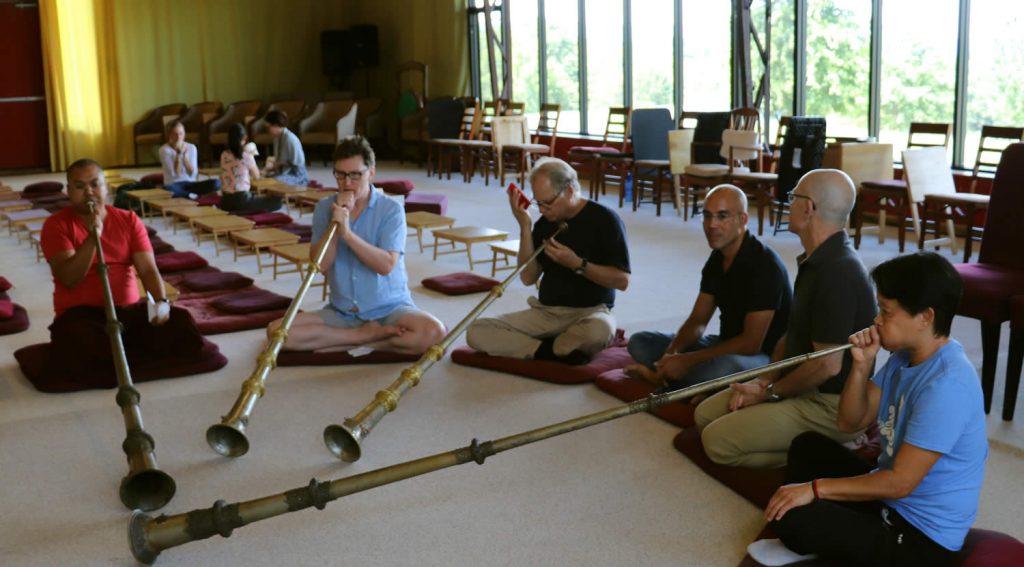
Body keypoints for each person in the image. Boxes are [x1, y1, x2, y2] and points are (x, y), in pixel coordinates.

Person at [765, 252, 987, 567]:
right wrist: (861, 365)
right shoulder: (904, 356)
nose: (876, 320)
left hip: (920, 538)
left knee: (795, 518)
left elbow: (900, 482)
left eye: (886, 311)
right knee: (807, 447)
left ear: (925, 317)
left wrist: (815, 490)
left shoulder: (947, 386)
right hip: (890, 501)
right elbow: (849, 421)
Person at [694, 169, 877, 468]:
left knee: (716, 443)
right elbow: (791, 336)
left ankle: (834, 446)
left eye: (793, 197)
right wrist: (765, 377)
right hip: (800, 383)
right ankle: (807, 440)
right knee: (704, 415)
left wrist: (768, 394)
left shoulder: (837, 272)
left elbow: (826, 366)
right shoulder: (816, 259)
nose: (787, 203)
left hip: (831, 404)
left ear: (808, 208)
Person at [267, 135, 445, 354]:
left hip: (389, 309)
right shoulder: (325, 208)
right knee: (277, 333)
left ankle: (350, 341)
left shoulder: (391, 209)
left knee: (433, 333)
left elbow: (386, 265)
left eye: (355, 175)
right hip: (343, 312)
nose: (347, 183)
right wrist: (335, 223)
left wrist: (348, 234)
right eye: (340, 175)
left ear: (371, 173)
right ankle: (363, 337)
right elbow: (320, 266)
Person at [40, 159, 206, 378]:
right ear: (69, 191)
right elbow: (70, 278)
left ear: (106, 187)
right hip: (82, 316)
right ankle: (127, 354)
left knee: (182, 322)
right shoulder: (56, 225)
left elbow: (147, 270)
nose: (89, 192)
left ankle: (119, 353)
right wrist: (92, 237)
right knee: (77, 339)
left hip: (126, 312)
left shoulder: (128, 220)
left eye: (94, 184)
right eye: (79, 186)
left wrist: (161, 305)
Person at [624, 184, 792, 394]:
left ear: (743, 219)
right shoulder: (717, 258)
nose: (712, 225)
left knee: (724, 367)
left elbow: (751, 343)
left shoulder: (766, 266)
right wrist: (671, 354)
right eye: (707, 216)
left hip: (763, 357)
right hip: (724, 343)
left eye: (722, 216)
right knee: (640, 342)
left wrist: (688, 360)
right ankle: (683, 383)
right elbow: (698, 320)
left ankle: (669, 384)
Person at [466, 157, 631, 365]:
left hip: (591, 313)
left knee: (598, 332)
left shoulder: (605, 220)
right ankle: (552, 350)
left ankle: (546, 347)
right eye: (538, 203)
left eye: (548, 203)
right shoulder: (545, 223)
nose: (542, 210)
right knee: (477, 330)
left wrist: (578, 264)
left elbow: (622, 281)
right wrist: (525, 226)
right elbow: (527, 277)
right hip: (546, 314)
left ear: (570, 191)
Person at [219, 123, 283, 214]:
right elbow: (257, 176)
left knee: (254, 197)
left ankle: (240, 211)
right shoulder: (246, 156)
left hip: (225, 201)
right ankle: (242, 211)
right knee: (277, 202)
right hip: (241, 200)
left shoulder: (223, 155)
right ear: (244, 138)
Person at [158, 120, 219, 199]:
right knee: (168, 189)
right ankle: (192, 195)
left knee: (216, 183)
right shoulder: (164, 150)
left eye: (181, 134)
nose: (178, 137)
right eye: (175, 134)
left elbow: (193, 173)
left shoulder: (191, 147)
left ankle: (188, 194)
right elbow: (175, 175)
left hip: (191, 183)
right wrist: (178, 155)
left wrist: (184, 156)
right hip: (174, 184)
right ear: (169, 135)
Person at [261, 110, 309, 186]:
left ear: (276, 125)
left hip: (296, 174)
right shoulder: (276, 139)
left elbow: (298, 163)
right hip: (283, 172)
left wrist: (277, 164)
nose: (267, 130)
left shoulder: (290, 139)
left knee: (274, 182)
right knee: (264, 179)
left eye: (268, 127)